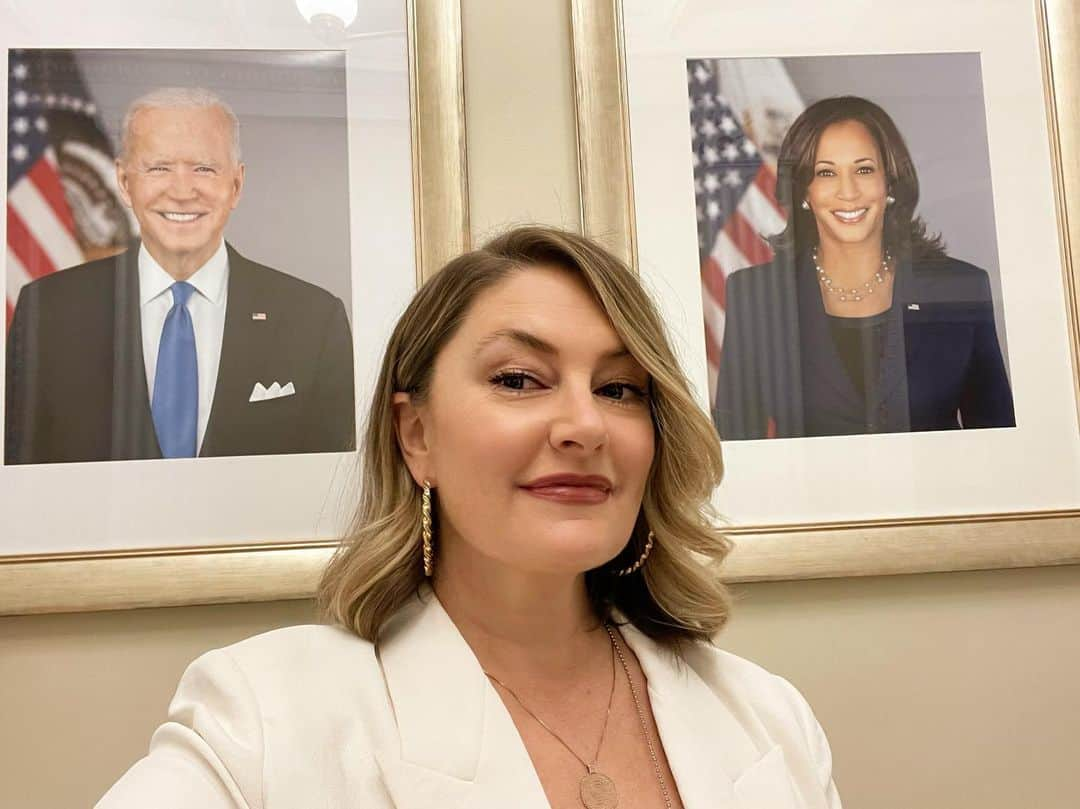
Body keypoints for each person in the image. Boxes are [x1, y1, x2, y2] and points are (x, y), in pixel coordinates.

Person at [96, 226, 841, 808]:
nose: (585, 424)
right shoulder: (263, 717)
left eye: (620, 388)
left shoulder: (768, 716)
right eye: (519, 379)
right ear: (415, 434)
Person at [5, 87, 354, 464]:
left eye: (204, 168)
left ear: (235, 185)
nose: (183, 191)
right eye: (159, 168)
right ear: (124, 182)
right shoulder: (47, 312)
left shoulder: (315, 319)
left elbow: (329, 491)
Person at [715, 95, 1015, 440]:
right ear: (802, 190)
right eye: (826, 172)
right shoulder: (756, 296)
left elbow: (998, 444)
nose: (848, 191)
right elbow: (736, 448)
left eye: (864, 169)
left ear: (889, 182)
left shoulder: (961, 286)